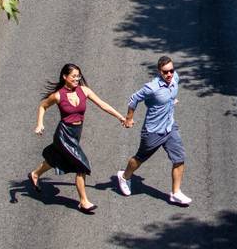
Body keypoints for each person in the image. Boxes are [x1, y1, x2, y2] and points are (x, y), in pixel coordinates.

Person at [29, 63, 131, 213]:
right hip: (63, 134)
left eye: (78, 76)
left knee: (55, 159)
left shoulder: (84, 91)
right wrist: (39, 124)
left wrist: (120, 117)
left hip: (76, 133)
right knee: (81, 164)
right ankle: (83, 202)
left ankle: (35, 174)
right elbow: (43, 106)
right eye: (74, 76)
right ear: (65, 77)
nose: (77, 79)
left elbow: (103, 104)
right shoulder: (58, 95)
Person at [115, 55, 191, 205]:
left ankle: (176, 193)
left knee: (179, 158)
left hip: (170, 127)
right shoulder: (152, 87)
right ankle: (124, 176)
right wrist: (129, 118)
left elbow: (170, 93)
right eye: (165, 72)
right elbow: (134, 99)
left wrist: (170, 101)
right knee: (139, 159)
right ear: (159, 72)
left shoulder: (175, 78)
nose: (169, 74)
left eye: (171, 70)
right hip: (153, 131)